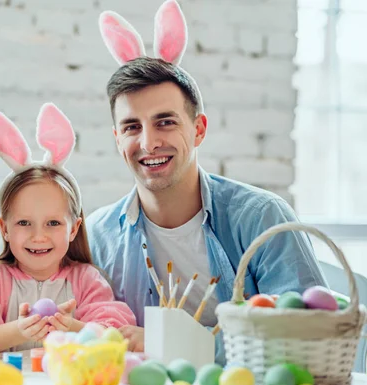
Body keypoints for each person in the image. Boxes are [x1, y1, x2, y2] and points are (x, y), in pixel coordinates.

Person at [87, 0, 325, 354]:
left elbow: (306, 339)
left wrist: (172, 345)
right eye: (132, 127)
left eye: (165, 122)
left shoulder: (263, 219)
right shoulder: (97, 237)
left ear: (199, 129)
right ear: (117, 139)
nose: (149, 142)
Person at [0, 103, 136, 351]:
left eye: (53, 223)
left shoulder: (87, 280)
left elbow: (112, 335)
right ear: (4, 228)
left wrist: (72, 328)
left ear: (73, 228)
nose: (39, 236)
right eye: (24, 223)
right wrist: (18, 330)